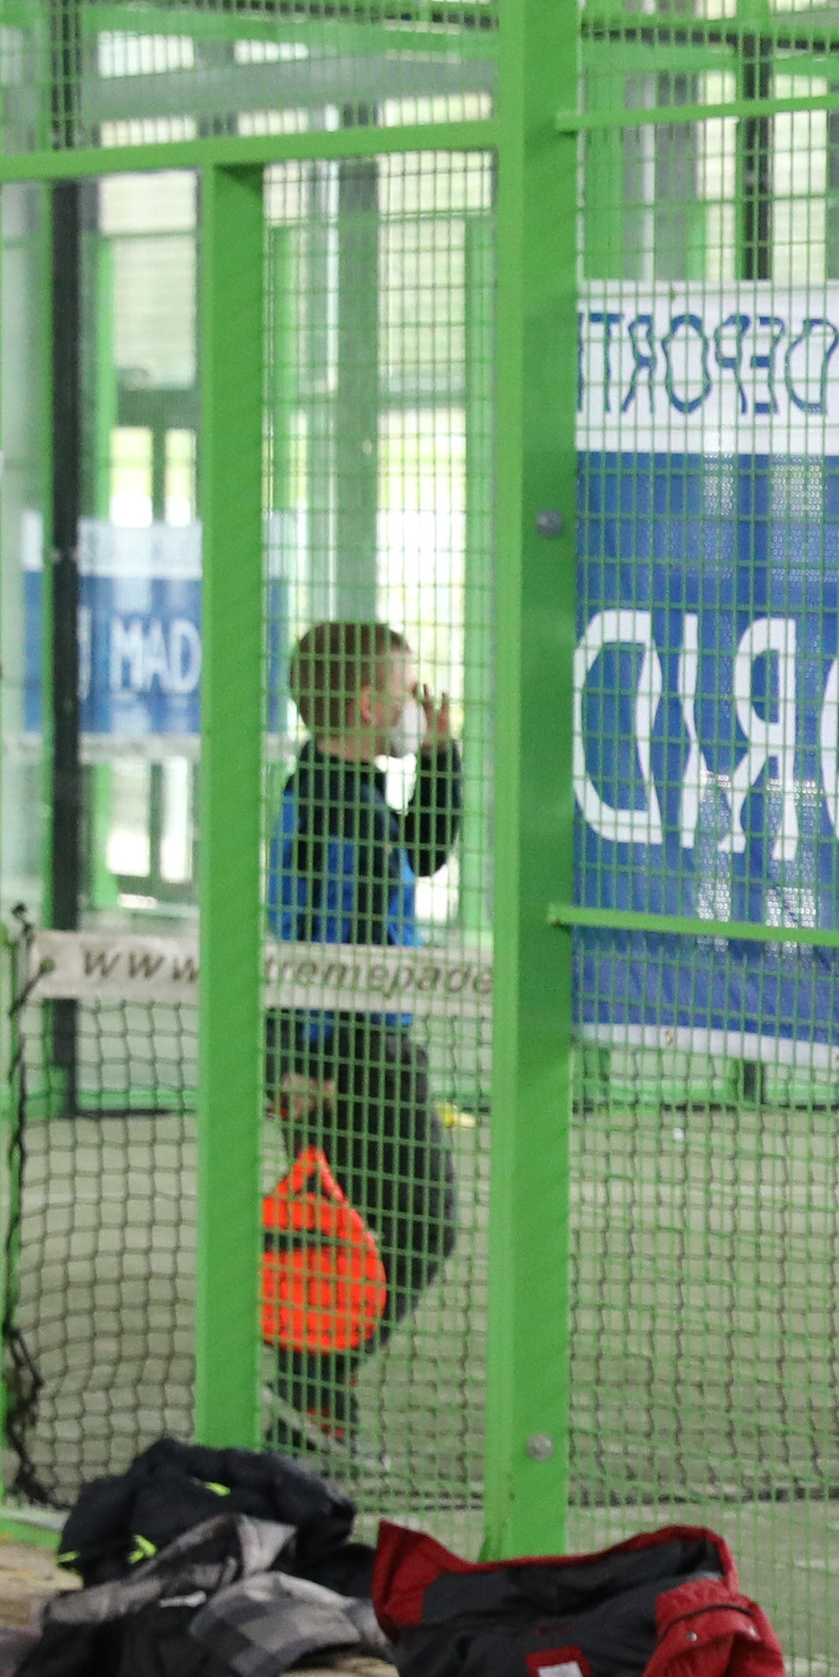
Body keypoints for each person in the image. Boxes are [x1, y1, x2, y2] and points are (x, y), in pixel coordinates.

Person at [263, 619, 465, 1449]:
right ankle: (307, 1389)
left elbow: (424, 851)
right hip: (346, 1061)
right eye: (405, 692)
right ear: (365, 704)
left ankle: (310, 1403)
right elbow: (308, 938)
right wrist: (295, 1061)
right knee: (419, 1226)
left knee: (348, 1233)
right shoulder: (328, 807)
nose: (415, 704)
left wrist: (439, 758)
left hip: (358, 1049)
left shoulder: (351, 790)